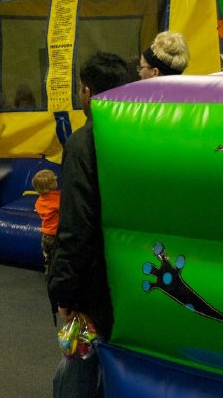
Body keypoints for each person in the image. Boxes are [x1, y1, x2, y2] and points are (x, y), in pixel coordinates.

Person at [47, 51, 132, 398]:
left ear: (87, 91)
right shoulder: (135, 133)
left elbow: (76, 225)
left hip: (93, 287)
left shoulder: (84, 143)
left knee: (76, 375)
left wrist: (64, 290)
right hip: (130, 278)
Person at [32, 169, 60, 276]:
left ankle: (49, 275)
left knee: (48, 257)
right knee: (57, 258)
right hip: (55, 234)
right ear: (52, 184)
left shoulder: (39, 201)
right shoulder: (56, 199)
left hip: (45, 235)